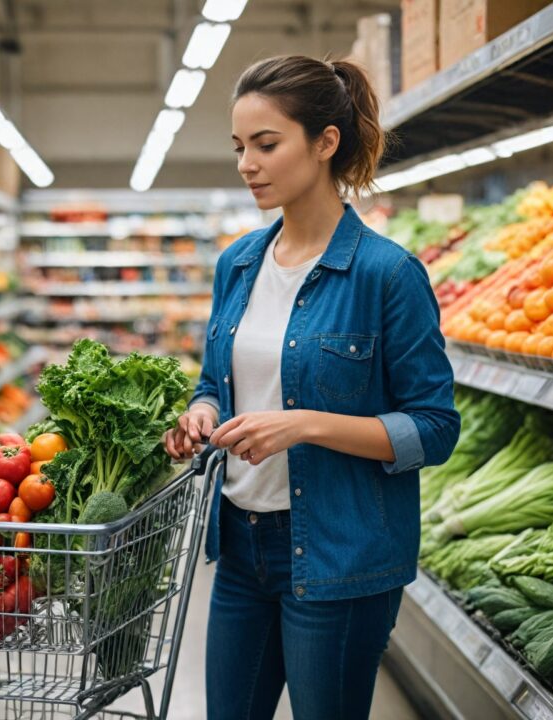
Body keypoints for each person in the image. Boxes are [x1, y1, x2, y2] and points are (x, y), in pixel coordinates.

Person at [163, 55, 461, 720]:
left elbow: (435, 427)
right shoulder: (236, 265)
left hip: (340, 554)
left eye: (267, 145)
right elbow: (216, 381)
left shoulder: (387, 274)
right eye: (240, 147)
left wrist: (303, 425)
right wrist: (202, 412)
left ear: (326, 142)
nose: (248, 164)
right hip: (240, 547)